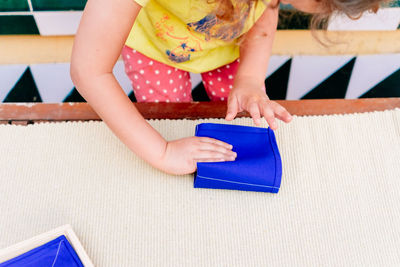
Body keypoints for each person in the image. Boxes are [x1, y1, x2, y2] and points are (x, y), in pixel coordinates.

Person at [70, 0, 381, 175]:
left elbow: (265, 10)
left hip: (227, 42)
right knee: (167, 118)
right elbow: (89, 71)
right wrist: (162, 153)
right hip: (156, 48)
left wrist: (250, 77)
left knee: (237, 114)